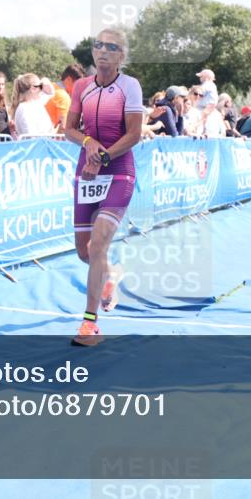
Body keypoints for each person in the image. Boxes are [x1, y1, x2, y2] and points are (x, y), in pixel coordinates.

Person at [64, 28, 143, 346]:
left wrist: (105, 156)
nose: (103, 51)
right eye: (98, 45)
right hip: (88, 172)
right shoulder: (81, 86)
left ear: (121, 55)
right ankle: (110, 274)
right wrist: (88, 143)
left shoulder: (129, 86)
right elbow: (69, 129)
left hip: (119, 171)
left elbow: (134, 134)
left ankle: (89, 323)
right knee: (85, 252)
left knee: (98, 245)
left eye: (111, 47)